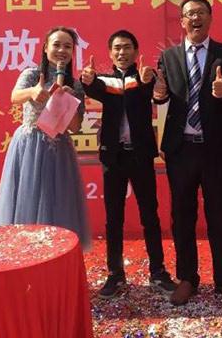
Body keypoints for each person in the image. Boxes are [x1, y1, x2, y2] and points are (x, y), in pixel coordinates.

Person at [153, 0, 222, 306]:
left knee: (220, 213)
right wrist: (158, 94)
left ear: (210, 18)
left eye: (201, 13)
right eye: (190, 14)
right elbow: (161, 94)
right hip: (180, 149)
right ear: (182, 21)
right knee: (182, 214)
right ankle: (187, 278)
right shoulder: (168, 56)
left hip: (215, 148)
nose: (195, 18)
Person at [81, 30, 177, 299]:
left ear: (136, 52)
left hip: (140, 156)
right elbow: (93, 88)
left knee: (150, 216)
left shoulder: (144, 77)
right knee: (114, 219)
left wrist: (150, 81)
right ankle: (115, 274)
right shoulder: (105, 81)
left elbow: (154, 93)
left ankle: (158, 271)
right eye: (117, 48)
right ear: (110, 53)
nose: (122, 52)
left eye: (126, 48)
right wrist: (87, 81)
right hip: (114, 157)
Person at [0, 26, 90, 249]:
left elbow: (75, 127)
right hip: (29, 147)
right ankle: (24, 255)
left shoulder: (75, 85)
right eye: (57, 45)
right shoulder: (31, 74)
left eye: (68, 46)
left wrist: (69, 102)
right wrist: (32, 92)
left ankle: (55, 255)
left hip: (58, 150)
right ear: (46, 48)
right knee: (26, 202)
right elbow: (14, 97)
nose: (62, 50)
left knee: (58, 204)